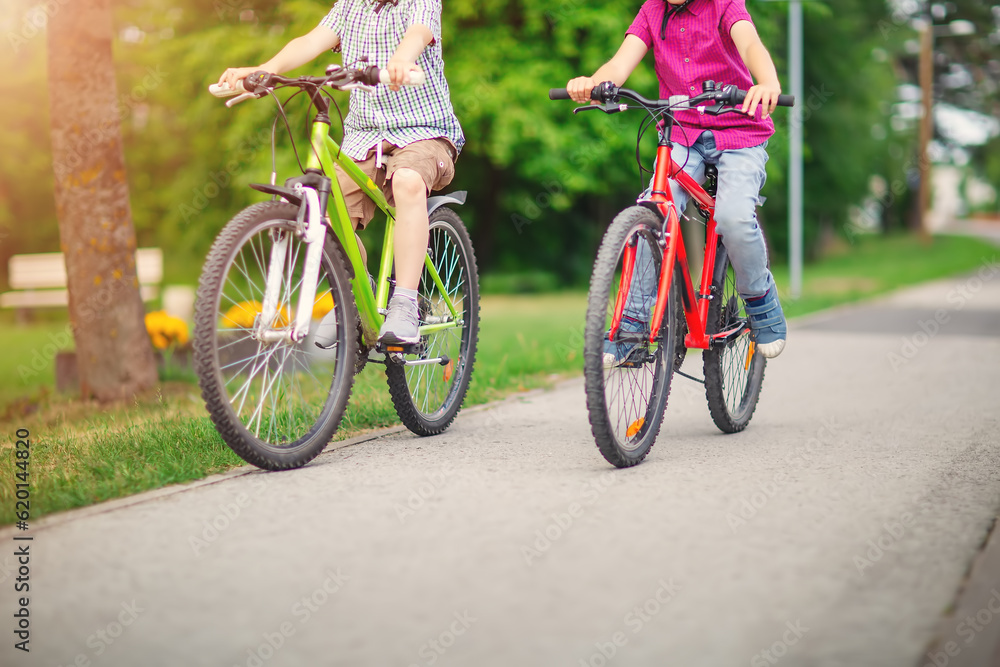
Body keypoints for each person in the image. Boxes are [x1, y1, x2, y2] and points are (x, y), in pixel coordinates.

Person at [219, 0, 464, 345]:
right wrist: (265, 69)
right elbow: (310, 40)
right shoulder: (351, 5)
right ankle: (358, 297)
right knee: (325, 217)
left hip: (424, 132)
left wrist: (401, 59)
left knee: (408, 181)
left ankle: (406, 303)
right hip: (364, 139)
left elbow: (419, 32)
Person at [566, 0, 787, 360]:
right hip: (683, 134)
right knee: (654, 210)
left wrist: (768, 82)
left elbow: (750, 44)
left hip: (739, 133)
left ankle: (760, 300)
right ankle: (633, 323)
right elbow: (620, 64)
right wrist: (593, 83)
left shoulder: (723, 4)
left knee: (733, 218)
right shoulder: (651, 11)